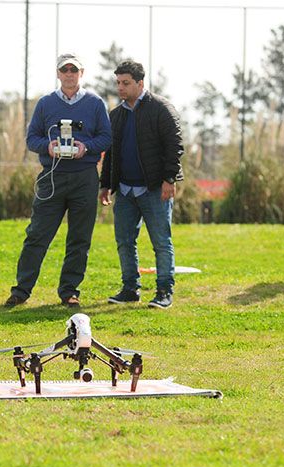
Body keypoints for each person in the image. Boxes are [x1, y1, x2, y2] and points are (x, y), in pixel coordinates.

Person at [4, 53, 112, 308]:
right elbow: (32, 140)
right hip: (52, 176)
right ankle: (21, 290)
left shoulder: (95, 103)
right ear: (58, 73)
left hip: (84, 177)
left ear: (81, 73)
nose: (69, 74)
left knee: (79, 238)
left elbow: (106, 138)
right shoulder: (46, 104)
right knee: (37, 234)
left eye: (74, 70)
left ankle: (69, 291)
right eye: (65, 70)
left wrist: (86, 147)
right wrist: (49, 146)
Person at [100, 60, 184, 309]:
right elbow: (110, 154)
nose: (121, 88)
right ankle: (130, 289)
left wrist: (169, 179)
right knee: (125, 241)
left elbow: (175, 146)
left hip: (154, 190)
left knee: (161, 242)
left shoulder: (161, 109)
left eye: (125, 83)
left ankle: (164, 291)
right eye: (118, 83)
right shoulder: (115, 115)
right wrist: (106, 185)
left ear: (140, 83)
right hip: (124, 192)